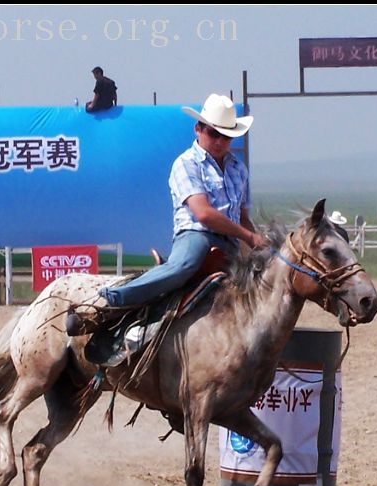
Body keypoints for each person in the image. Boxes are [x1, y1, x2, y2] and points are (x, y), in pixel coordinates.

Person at [68, 93, 267, 335]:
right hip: (196, 234)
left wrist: (257, 244)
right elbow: (203, 214)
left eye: (226, 136)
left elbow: (243, 216)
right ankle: (112, 301)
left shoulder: (239, 169)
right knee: (184, 265)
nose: (219, 141)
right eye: (213, 133)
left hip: (231, 243)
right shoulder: (187, 163)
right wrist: (249, 236)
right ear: (198, 129)